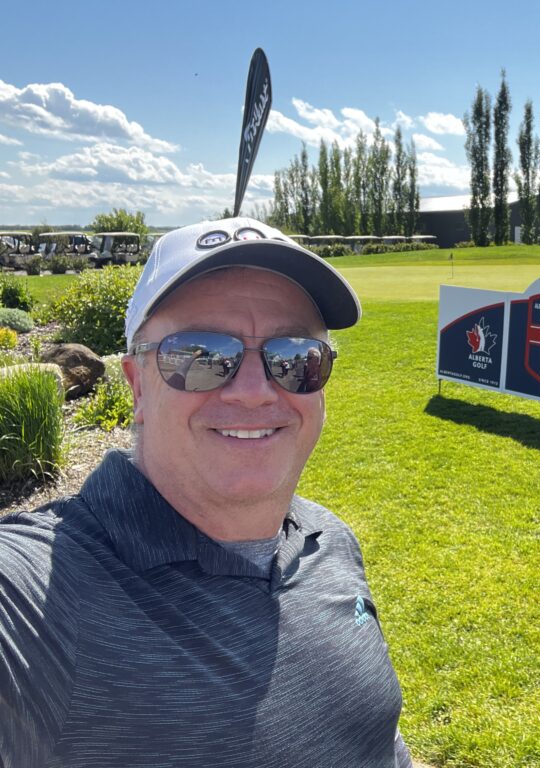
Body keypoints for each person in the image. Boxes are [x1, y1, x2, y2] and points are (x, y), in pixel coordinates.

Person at [0, 218, 413, 767]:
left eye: (295, 358)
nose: (252, 391)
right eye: (199, 355)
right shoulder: (43, 592)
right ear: (136, 384)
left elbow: (375, 741)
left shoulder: (327, 540)